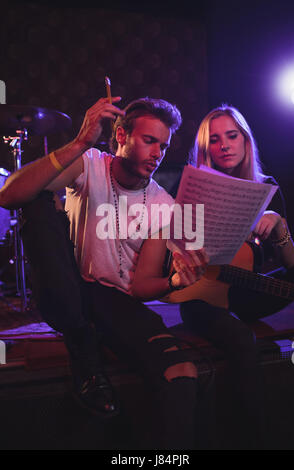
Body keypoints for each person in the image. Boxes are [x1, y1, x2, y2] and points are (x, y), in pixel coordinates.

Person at [0, 95, 213, 449]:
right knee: (35, 200)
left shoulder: (163, 203)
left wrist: (173, 282)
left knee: (183, 373)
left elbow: (142, 285)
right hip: (67, 284)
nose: (157, 153)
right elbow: (8, 195)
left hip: (116, 302)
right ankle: (82, 342)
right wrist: (82, 140)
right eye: (148, 140)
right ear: (120, 136)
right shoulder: (89, 163)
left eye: (163, 145)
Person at [181, 104, 294, 447]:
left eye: (232, 136)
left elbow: (293, 265)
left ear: (246, 141)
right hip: (202, 295)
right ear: (206, 148)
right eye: (215, 140)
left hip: (246, 290)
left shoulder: (267, 187)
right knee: (242, 343)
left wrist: (278, 223)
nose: (225, 145)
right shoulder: (196, 187)